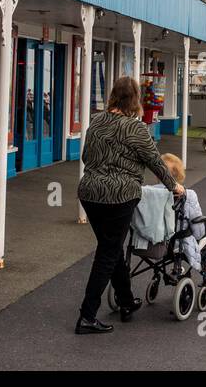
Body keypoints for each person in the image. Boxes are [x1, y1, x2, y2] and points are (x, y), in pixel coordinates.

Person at [75, 76, 182, 335]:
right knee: (108, 253)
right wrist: (174, 186)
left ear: (113, 95)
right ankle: (87, 316)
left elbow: (85, 156)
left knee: (110, 247)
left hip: (90, 193)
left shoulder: (97, 121)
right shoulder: (136, 129)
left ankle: (126, 301)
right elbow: (156, 163)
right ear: (135, 99)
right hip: (119, 196)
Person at [160, 153, 206, 284]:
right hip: (177, 242)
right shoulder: (188, 195)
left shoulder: (150, 192)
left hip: (155, 241)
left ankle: (176, 268)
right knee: (203, 241)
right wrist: (201, 237)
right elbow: (196, 224)